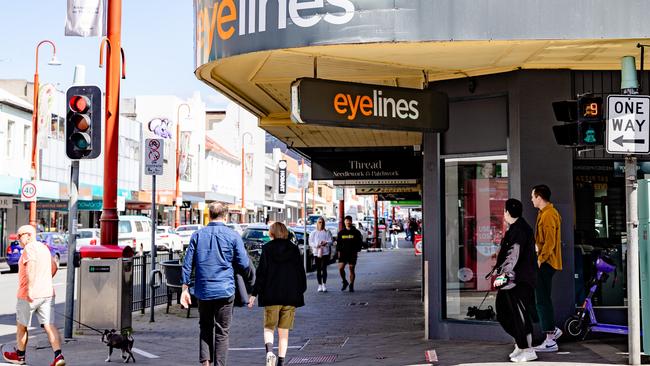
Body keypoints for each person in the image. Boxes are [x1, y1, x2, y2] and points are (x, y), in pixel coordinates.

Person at [181, 202, 254, 366]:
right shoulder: (233, 235)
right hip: (225, 290)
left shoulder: (197, 235)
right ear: (225, 216)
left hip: (203, 290)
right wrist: (251, 282)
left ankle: (205, 363)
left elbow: (187, 264)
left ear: (209, 214)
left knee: (205, 328)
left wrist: (185, 288)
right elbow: (243, 263)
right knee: (222, 332)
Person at [3, 225, 65, 366]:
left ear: (29, 235)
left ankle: (19, 356)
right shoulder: (44, 248)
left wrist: (31, 288)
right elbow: (54, 266)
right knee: (49, 325)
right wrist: (46, 280)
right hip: (47, 293)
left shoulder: (29, 248)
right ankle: (58, 355)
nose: (18, 239)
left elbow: (30, 265)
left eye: (20, 236)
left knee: (22, 326)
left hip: (29, 294)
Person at [248, 222, 306, 366]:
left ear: (272, 233)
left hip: (271, 295)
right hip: (290, 297)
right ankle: (281, 361)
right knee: (284, 331)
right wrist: (300, 290)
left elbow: (261, 273)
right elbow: (300, 273)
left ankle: (269, 353)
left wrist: (254, 294)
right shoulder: (294, 249)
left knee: (269, 327)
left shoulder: (267, 249)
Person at [492, 199, 538, 363]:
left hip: (518, 280)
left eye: (504, 210)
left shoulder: (520, 230)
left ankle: (528, 349)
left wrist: (504, 275)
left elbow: (513, 255)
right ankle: (520, 344)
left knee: (520, 315)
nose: (503, 213)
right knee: (504, 312)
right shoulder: (517, 228)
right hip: (513, 279)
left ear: (507, 212)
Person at [530, 184, 563, 352]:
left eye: (533, 196)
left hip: (546, 263)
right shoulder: (544, 213)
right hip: (545, 262)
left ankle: (550, 339)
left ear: (539, 197)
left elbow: (549, 242)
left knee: (542, 301)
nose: (531, 199)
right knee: (541, 299)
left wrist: (540, 259)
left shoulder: (549, 214)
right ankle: (552, 331)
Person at [337, 216, 363, 292]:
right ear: (344, 222)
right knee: (341, 268)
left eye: (349, 221)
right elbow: (338, 243)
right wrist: (338, 252)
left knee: (351, 269)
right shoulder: (341, 232)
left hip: (352, 253)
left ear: (351, 222)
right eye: (346, 221)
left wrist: (357, 250)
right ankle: (344, 281)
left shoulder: (356, 232)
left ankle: (351, 285)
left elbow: (360, 242)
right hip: (343, 253)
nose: (348, 222)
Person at [309, 217, 333, 292]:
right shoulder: (313, 233)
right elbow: (310, 242)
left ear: (324, 223)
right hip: (317, 253)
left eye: (322, 222)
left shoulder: (327, 232)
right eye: (319, 222)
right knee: (318, 269)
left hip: (325, 252)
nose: (321, 224)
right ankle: (319, 285)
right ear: (317, 223)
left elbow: (331, 241)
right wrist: (317, 245)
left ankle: (324, 284)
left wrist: (326, 243)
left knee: (324, 268)